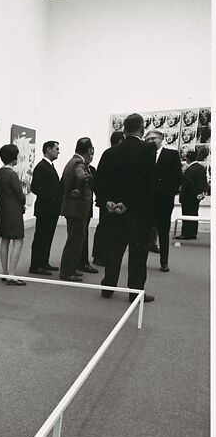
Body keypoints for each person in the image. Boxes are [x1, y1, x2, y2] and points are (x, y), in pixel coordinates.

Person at [99, 113, 156, 303]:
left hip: (113, 211)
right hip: (137, 212)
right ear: (142, 128)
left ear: (123, 129)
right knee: (138, 254)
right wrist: (129, 203)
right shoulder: (148, 150)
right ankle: (135, 292)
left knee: (113, 250)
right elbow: (146, 182)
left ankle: (108, 286)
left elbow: (100, 181)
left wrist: (106, 200)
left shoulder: (110, 152)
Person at [144, 129, 182, 272]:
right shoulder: (145, 155)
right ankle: (141, 262)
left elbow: (178, 176)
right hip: (147, 200)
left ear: (161, 139)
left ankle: (164, 262)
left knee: (163, 231)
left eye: (154, 138)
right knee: (144, 231)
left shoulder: (171, 154)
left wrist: (170, 192)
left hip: (164, 200)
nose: (151, 141)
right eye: (148, 139)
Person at [58, 137, 94, 282]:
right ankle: (67, 272)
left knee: (73, 238)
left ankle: (70, 268)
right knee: (75, 240)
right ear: (89, 150)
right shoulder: (79, 163)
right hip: (77, 208)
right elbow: (82, 177)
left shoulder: (72, 161)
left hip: (72, 207)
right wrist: (80, 189)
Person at [0, 144, 27, 286]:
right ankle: (12, 274)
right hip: (14, 210)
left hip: (3, 209)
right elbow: (20, 195)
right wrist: (23, 202)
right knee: (18, 241)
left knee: (5, 240)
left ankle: (5, 272)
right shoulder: (12, 174)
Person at [92, 130, 124, 266]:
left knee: (106, 227)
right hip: (109, 199)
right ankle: (100, 255)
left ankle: (101, 255)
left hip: (107, 199)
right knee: (106, 228)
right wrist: (106, 199)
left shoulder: (108, 154)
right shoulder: (112, 155)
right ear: (120, 142)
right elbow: (102, 180)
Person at [29, 140, 61, 275]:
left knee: (47, 236)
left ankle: (43, 262)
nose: (59, 151)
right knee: (41, 237)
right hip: (45, 208)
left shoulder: (49, 166)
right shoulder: (42, 167)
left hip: (50, 208)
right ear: (48, 149)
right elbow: (35, 187)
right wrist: (52, 196)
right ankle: (36, 265)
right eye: (56, 149)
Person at [175, 149, 208, 240]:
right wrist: (202, 193)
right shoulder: (201, 168)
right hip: (196, 197)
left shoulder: (189, 170)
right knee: (194, 214)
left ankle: (186, 233)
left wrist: (195, 193)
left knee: (186, 215)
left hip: (188, 196)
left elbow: (189, 184)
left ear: (187, 159)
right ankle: (193, 233)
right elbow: (205, 181)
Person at [76, 148, 99, 275]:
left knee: (84, 234)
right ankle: (82, 262)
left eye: (92, 154)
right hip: (80, 207)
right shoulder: (78, 168)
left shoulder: (92, 170)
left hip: (87, 206)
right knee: (79, 235)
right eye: (89, 154)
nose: (91, 156)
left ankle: (82, 261)